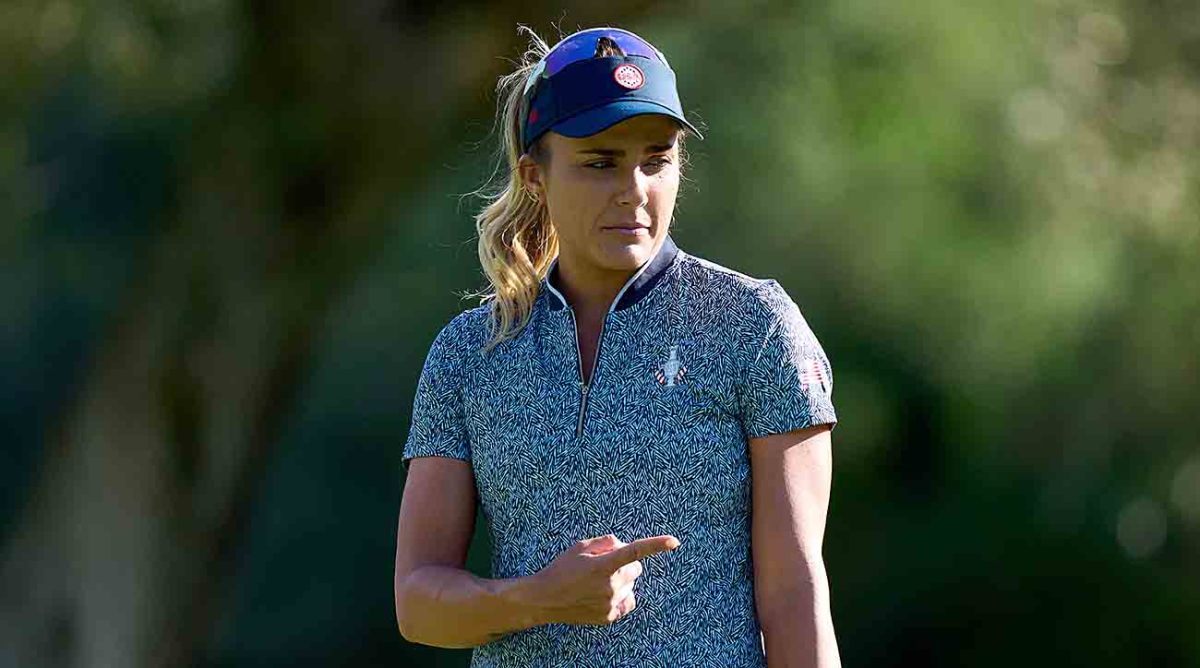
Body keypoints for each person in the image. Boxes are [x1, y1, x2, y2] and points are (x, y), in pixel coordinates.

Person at [394, 25, 841, 668]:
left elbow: (795, 592)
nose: (634, 189)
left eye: (656, 159)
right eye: (600, 162)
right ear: (535, 176)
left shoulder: (754, 327)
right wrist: (538, 598)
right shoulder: (469, 353)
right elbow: (418, 604)